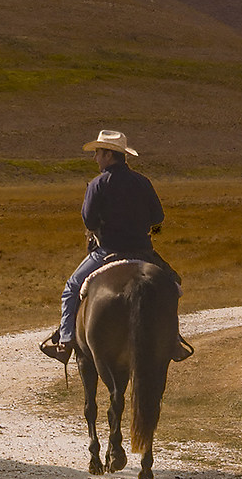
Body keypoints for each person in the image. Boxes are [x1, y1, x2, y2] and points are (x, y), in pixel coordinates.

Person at [40, 130, 189, 363]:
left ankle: (65, 341)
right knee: (171, 285)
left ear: (109, 155)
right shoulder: (143, 182)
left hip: (106, 252)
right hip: (143, 253)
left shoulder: (98, 184)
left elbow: (88, 220)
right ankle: (174, 339)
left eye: (98, 153)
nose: (95, 158)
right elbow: (157, 217)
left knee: (71, 288)